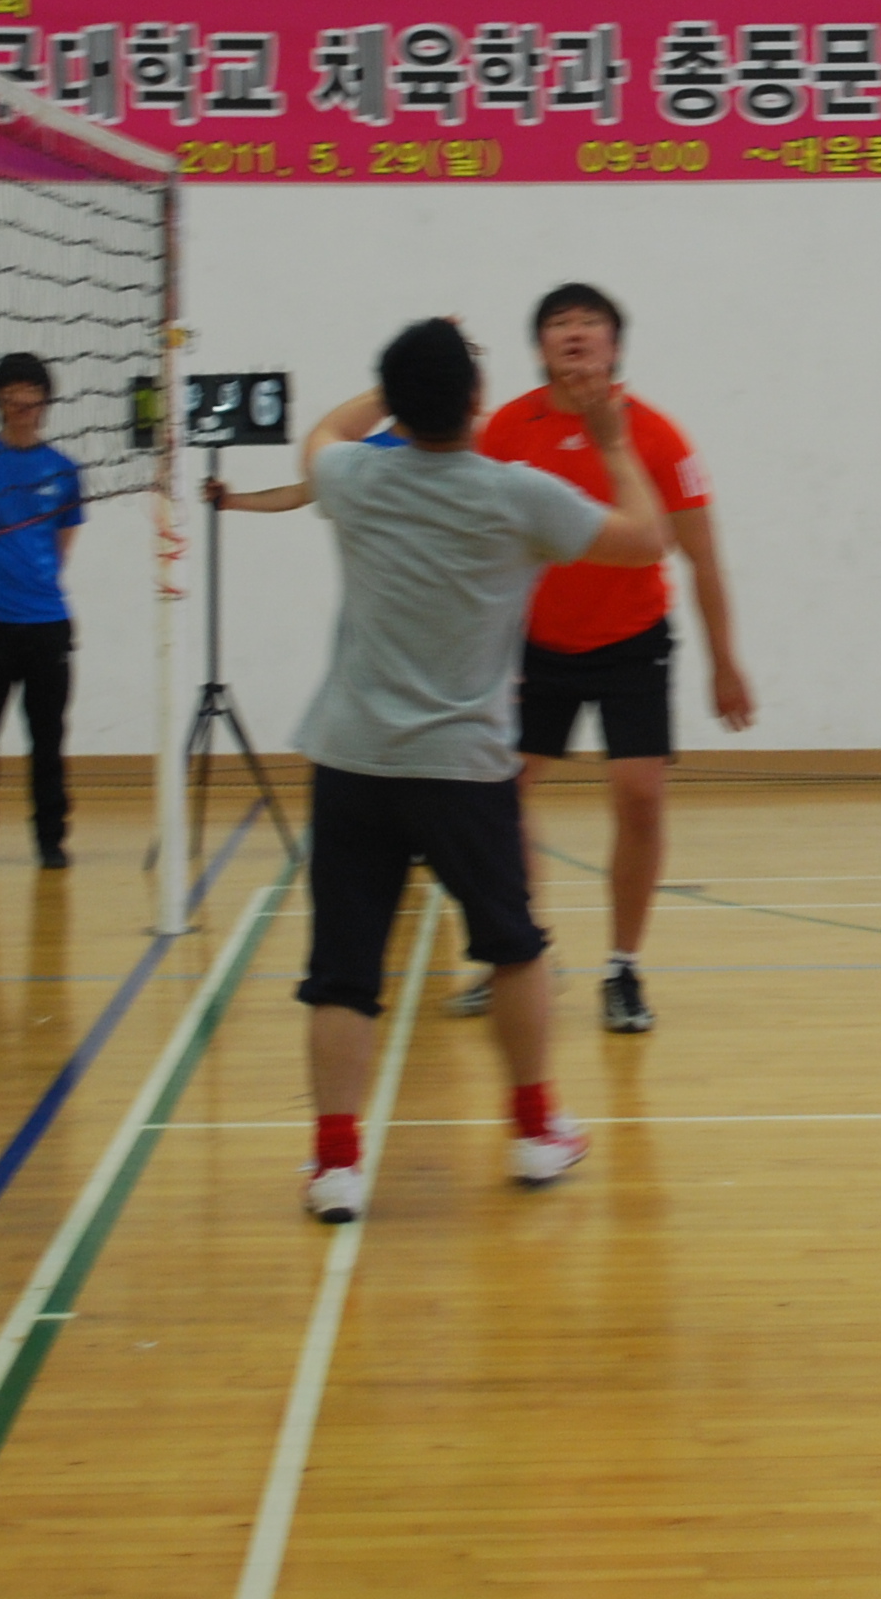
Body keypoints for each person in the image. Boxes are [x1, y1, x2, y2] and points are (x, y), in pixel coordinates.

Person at [222, 317, 671, 1224]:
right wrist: (615, 442)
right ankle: (534, 1131)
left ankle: (336, 1165)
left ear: (398, 404)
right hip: (463, 771)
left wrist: (393, 387)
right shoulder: (520, 495)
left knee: (343, 971)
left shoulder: (353, 478)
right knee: (514, 949)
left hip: (353, 760)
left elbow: (328, 431)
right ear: (476, 404)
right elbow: (644, 539)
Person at [458, 283, 756, 1034]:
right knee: (498, 797)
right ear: (540, 347)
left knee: (640, 795)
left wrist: (725, 662)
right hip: (536, 647)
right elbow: (474, 547)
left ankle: (623, 967)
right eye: (559, 323)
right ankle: (520, 951)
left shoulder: (656, 435)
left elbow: (703, 557)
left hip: (632, 643)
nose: (575, 333)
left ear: (615, 344)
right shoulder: (507, 430)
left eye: (590, 322)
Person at [0, 350, 83, 872]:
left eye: (32, 397)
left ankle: (51, 840)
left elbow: (62, 544)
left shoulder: (63, 470)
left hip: (46, 624)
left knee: (47, 737)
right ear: (0, 401)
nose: (24, 406)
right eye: (13, 397)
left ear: (44, 402)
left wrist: (32, 586)